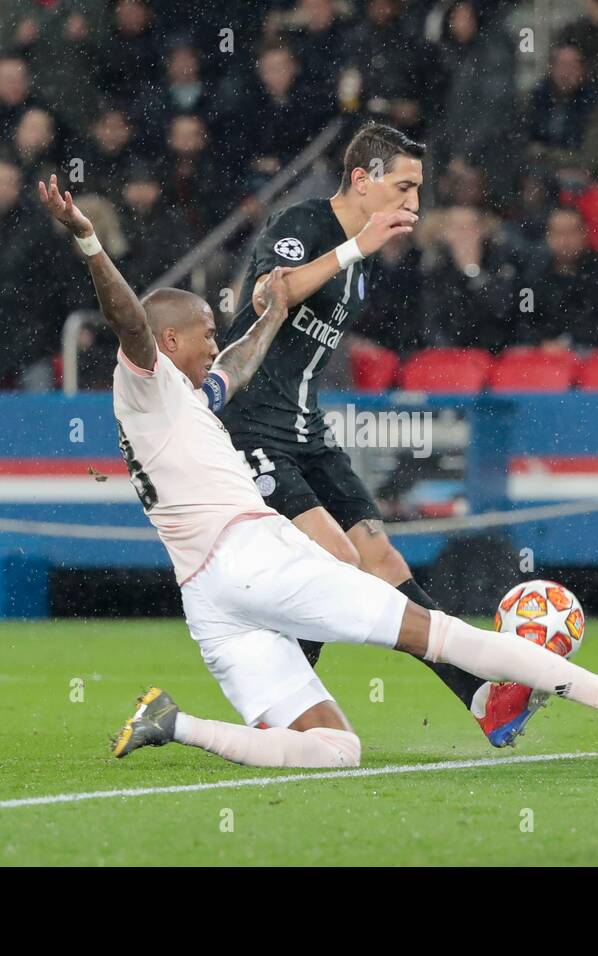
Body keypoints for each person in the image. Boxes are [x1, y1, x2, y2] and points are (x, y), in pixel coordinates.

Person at [36, 173, 598, 767]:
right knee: (444, 635)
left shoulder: (180, 400)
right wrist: (91, 242)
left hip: (210, 600)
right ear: (169, 341)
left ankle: (173, 723)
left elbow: (233, 369)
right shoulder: (143, 378)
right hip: (252, 558)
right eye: (205, 331)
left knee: (335, 749)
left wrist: (268, 319)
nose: (214, 340)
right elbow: (127, 318)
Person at [219, 123, 542, 748]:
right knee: (334, 562)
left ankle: (479, 697)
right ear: (362, 180)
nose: (414, 204)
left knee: (382, 560)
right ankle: (277, 710)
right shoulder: (306, 224)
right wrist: (352, 247)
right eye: (404, 186)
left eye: (418, 189)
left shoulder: (365, 261)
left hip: (306, 430)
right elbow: (267, 297)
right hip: (252, 424)